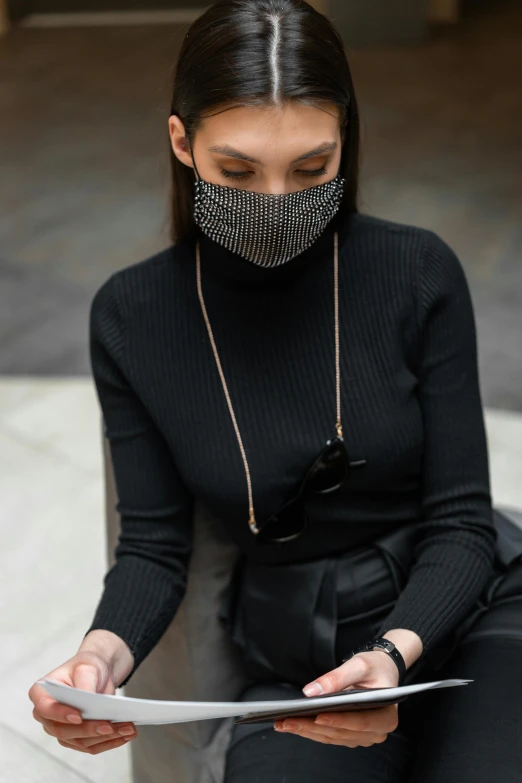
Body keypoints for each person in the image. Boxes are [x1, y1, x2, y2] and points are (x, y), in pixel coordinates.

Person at [28, 0, 522, 780]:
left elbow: (460, 522)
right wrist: (98, 657)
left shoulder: (417, 273)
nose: (274, 202)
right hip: (301, 660)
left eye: (311, 168)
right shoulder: (134, 315)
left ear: (345, 145)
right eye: (237, 170)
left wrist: (394, 652)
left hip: (467, 619)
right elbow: (154, 545)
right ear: (182, 142)